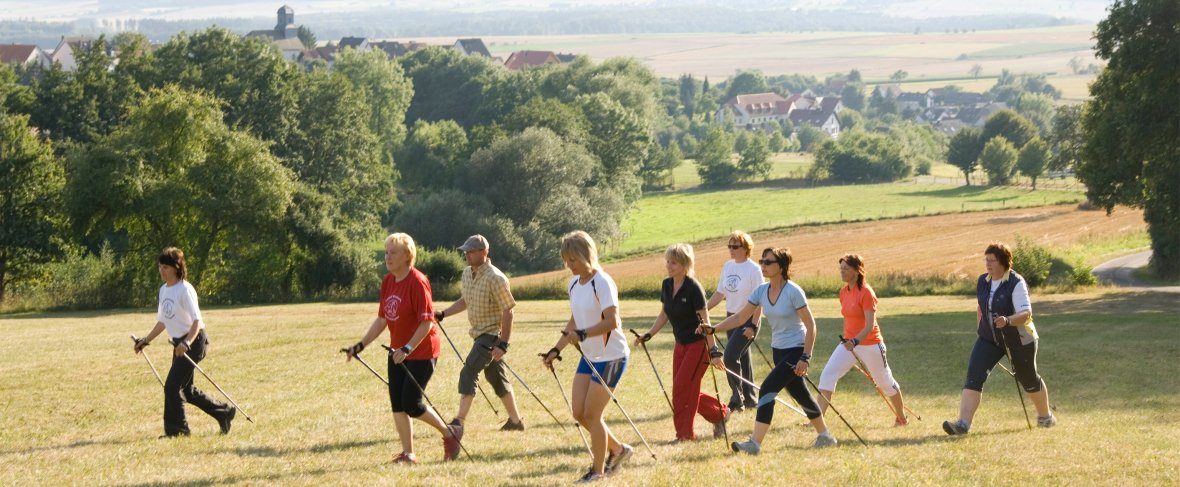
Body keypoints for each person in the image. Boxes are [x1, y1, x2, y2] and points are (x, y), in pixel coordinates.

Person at [342, 233, 460, 464]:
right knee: (398, 403)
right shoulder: (388, 281)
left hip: (422, 351)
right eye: (386, 252)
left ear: (407, 256)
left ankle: (450, 434)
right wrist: (360, 345)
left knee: (412, 404)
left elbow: (427, 322)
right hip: (397, 351)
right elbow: (382, 319)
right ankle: (408, 454)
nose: (388, 256)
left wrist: (407, 348)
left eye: (393, 252)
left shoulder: (417, 281)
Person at [708, 247, 836, 453]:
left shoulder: (794, 291)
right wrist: (714, 328)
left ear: (782, 266)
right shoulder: (761, 291)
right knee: (801, 394)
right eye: (762, 261)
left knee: (767, 389)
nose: (763, 265)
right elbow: (741, 318)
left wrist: (806, 356)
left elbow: (811, 326)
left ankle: (755, 443)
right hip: (778, 351)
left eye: (768, 262)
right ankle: (825, 436)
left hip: (796, 350)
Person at [541, 231, 634, 483]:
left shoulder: (602, 282)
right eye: (566, 260)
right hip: (590, 356)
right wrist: (556, 349)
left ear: (586, 255)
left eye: (573, 260)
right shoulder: (574, 284)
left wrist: (582, 334)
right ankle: (619, 449)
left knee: (592, 415)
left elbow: (612, 321)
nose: (569, 265)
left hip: (611, 356)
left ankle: (598, 471)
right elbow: (574, 320)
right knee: (579, 413)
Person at [943, 242, 1057, 435]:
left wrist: (1008, 320)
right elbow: (981, 306)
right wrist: (981, 327)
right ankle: (962, 424)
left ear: (1003, 262)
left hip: (1019, 340)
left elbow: (1026, 313)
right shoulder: (983, 281)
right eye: (986, 260)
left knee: (1028, 379)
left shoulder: (1016, 282)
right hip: (989, 340)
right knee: (973, 377)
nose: (987, 264)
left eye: (992, 260)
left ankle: (1045, 417)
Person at [133, 247, 235, 438]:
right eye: (160, 267)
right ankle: (224, 413)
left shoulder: (185, 290)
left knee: (172, 386)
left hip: (194, 342)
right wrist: (145, 341)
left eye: (166, 267)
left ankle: (178, 431)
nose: (162, 271)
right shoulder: (163, 290)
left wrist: (187, 343)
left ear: (176, 268)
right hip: (179, 344)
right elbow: (163, 321)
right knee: (185, 390)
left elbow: (197, 321)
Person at [634, 244, 728, 442]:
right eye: (667, 261)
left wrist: (714, 351)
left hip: (697, 345)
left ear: (685, 264)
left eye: (673, 262)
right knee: (684, 388)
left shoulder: (693, 288)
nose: (669, 265)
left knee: (682, 388)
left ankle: (685, 435)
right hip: (680, 345)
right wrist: (648, 335)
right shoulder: (667, 285)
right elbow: (664, 313)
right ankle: (719, 414)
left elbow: (706, 322)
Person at [434, 235, 525, 436]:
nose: (466, 254)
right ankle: (516, 421)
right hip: (478, 335)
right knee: (497, 378)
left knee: (468, 371)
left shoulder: (496, 278)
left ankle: (459, 421)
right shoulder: (467, 273)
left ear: (484, 252)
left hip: (491, 335)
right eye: (465, 251)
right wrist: (443, 314)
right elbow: (465, 300)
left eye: (471, 251)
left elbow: (508, 311)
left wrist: (504, 344)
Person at [816, 254, 910, 426]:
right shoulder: (844, 292)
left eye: (846, 269)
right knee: (827, 375)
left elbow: (869, 325)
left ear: (857, 271)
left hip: (870, 345)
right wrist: (849, 341)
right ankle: (816, 419)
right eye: (841, 268)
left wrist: (856, 341)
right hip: (848, 345)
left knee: (885, 383)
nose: (842, 272)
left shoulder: (866, 292)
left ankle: (901, 418)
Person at [705, 231, 763, 413]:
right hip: (731, 318)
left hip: (748, 319)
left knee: (730, 357)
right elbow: (720, 293)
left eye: (735, 247)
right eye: (729, 246)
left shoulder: (754, 269)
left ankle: (737, 398)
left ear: (746, 249)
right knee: (742, 359)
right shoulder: (728, 266)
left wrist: (753, 325)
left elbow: (760, 299)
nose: (731, 250)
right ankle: (751, 399)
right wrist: (703, 310)